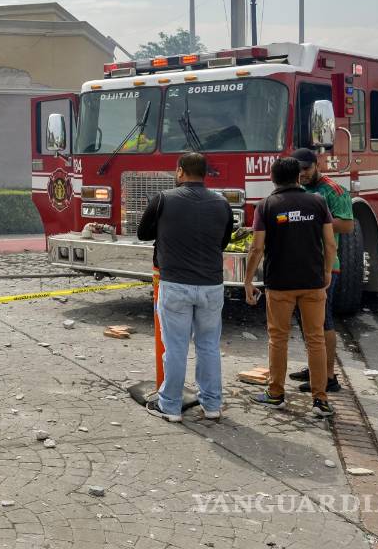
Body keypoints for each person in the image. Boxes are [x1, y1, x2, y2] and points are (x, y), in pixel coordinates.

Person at [137, 152, 234, 422]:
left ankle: (170, 406)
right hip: (212, 286)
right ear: (205, 174)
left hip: (175, 284)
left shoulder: (164, 200)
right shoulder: (221, 203)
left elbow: (142, 233)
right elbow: (223, 241)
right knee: (209, 346)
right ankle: (212, 405)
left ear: (180, 172)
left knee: (176, 347)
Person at [244, 156, 338, 417]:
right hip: (313, 281)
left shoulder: (267, 206)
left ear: (272, 179)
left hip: (280, 283)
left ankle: (276, 394)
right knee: (315, 339)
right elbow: (330, 244)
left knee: (278, 339)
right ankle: (320, 400)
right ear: (298, 177)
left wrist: (248, 279)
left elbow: (257, 247)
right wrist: (327, 271)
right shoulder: (318, 202)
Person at [289, 147, 354, 394]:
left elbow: (347, 225)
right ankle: (314, 365)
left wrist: (309, 220)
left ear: (317, 166)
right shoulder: (298, 188)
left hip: (326, 267)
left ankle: (328, 377)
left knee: (323, 323)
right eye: (298, 170)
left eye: (306, 169)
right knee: (308, 323)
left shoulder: (333, 191)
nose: (302, 174)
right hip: (304, 265)